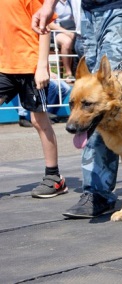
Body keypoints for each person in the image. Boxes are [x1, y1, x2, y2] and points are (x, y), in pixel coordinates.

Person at [32, 0, 122, 218]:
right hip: (88, 12)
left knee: (101, 96)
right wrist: (48, 6)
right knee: (91, 89)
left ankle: (97, 191)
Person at [0, 0, 68, 199]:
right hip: (6, 67)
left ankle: (54, 177)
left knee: (38, 120)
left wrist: (41, 66)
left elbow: (44, 27)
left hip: (30, 65)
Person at [48, 0, 76, 83]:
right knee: (67, 42)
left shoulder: (71, 2)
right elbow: (50, 24)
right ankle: (68, 73)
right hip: (55, 31)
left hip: (71, 29)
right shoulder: (53, 3)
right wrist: (66, 32)